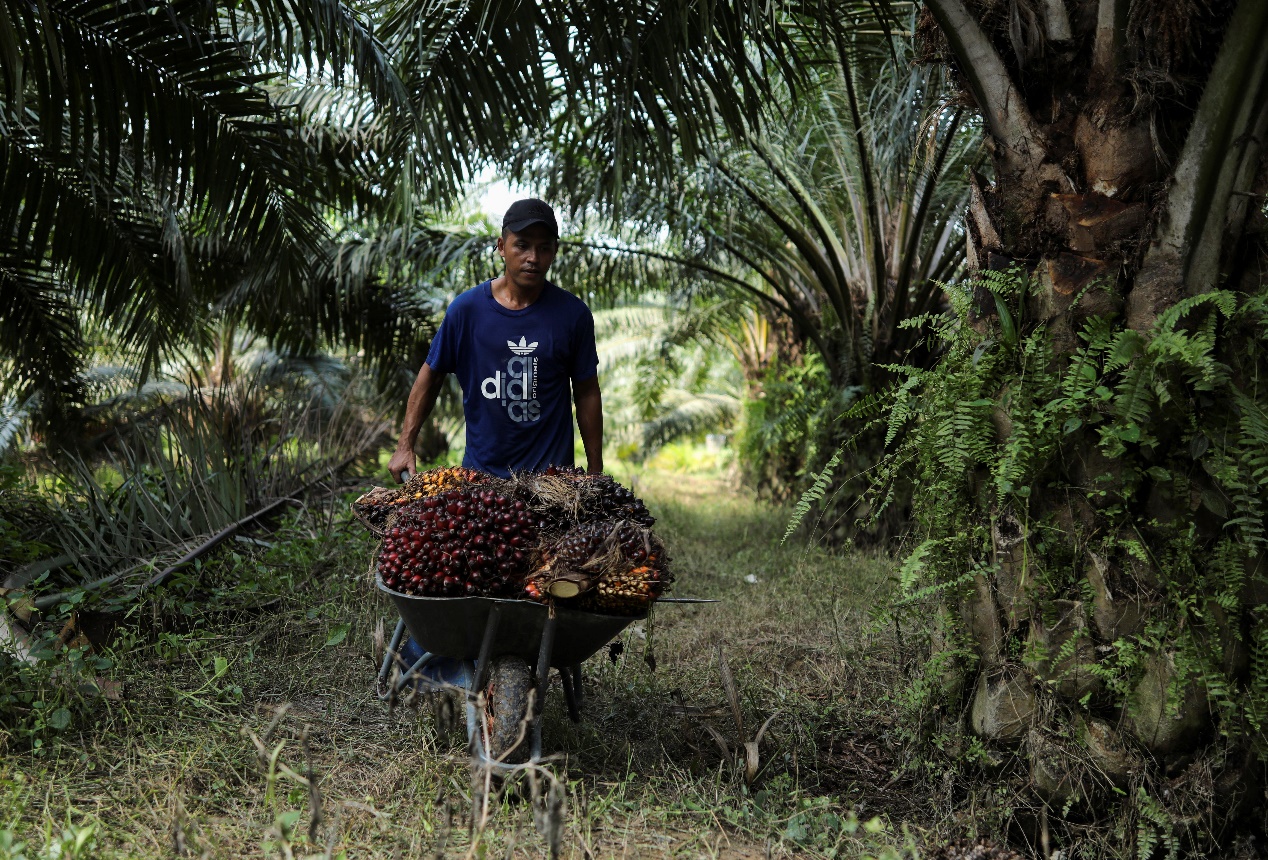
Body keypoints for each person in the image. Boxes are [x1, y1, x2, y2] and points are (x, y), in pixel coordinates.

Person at [388, 198, 603, 482]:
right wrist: (405, 445)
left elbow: (587, 391)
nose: (533, 258)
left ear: (555, 252)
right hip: (481, 482)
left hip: (553, 484)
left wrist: (595, 471)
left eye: (544, 248)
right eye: (522, 245)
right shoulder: (467, 311)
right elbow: (431, 375)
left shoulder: (573, 315)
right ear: (502, 247)